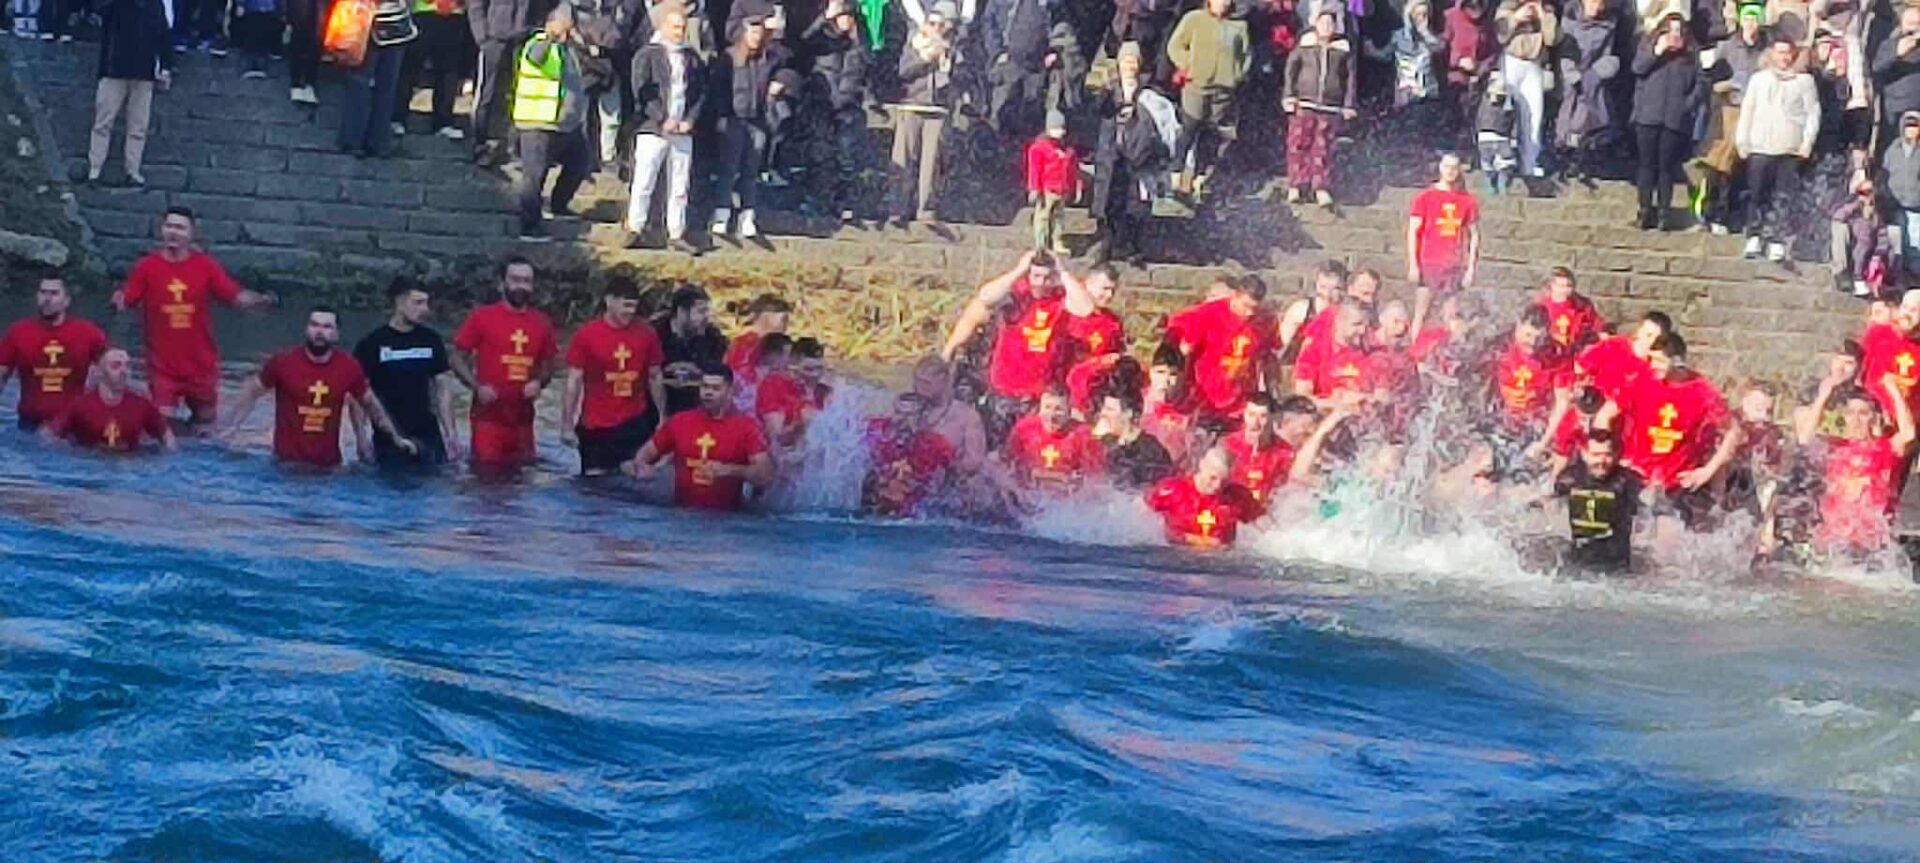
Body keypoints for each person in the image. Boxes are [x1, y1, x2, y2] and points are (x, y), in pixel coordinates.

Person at [112, 206, 275, 430]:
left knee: (206, 429)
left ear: (191, 234)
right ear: (162, 230)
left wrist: (261, 300)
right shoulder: (147, 267)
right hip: (162, 367)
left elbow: (235, 297)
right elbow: (126, 301)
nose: (173, 232)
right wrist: (118, 302)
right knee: (162, 429)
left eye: (180, 227)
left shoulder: (205, 266)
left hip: (201, 366)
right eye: (169, 226)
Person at [222, 307, 415, 469]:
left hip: (329, 467)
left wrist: (394, 438)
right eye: (314, 325)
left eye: (327, 327)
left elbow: (370, 404)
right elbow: (252, 391)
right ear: (306, 329)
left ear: (336, 334)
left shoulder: (349, 367)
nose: (319, 332)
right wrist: (231, 428)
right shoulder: (283, 362)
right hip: (285, 465)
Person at [1598, 333, 1741, 528]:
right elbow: (1604, 417)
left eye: (1659, 361)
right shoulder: (1640, 380)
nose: (1652, 365)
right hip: (1636, 475)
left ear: (1677, 361)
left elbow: (1733, 432)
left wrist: (1707, 471)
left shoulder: (1701, 392)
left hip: (1676, 484)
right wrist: (1610, 457)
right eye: (1651, 359)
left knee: (1668, 539)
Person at [941, 252, 1065, 442]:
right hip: (1003, 390)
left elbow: (1085, 309)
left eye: (1047, 277)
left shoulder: (1062, 299)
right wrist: (1019, 269)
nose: (1041, 283)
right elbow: (984, 298)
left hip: (1039, 396)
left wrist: (1062, 271)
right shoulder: (1016, 292)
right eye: (1036, 276)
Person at [451, 257, 557, 471]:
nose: (521, 286)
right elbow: (456, 357)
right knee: (486, 478)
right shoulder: (482, 317)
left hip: (523, 420)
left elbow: (549, 365)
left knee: (523, 479)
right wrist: (477, 387)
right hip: (488, 419)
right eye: (515, 280)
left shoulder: (542, 323)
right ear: (502, 284)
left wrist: (539, 382)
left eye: (526, 281)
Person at [626, 365, 774, 511]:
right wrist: (641, 466)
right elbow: (646, 452)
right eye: (705, 387)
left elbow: (765, 475)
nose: (708, 393)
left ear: (730, 391)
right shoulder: (680, 422)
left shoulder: (747, 427)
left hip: (728, 517)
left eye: (716, 388)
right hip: (679, 513)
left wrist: (730, 470)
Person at [562, 277, 667, 477]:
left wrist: (662, 417)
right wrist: (567, 425)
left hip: (634, 421)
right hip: (596, 425)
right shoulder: (587, 335)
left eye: (634, 306)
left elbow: (655, 377)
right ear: (609, 301)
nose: (630, 312)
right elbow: (573, 381)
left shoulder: (647, 334)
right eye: (626, 305)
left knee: (636, 478)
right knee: (595, 482)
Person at [352, 277, 461, 468]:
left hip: (428, 433)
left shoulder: (432, 340)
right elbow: (358, 395)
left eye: (426, 303)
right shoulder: (371, 343)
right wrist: (361, 436)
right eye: (418, 303)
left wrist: (451, 433)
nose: (425, 309)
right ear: (399, 303)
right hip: (389, 434)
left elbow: (443, 388)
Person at [625, 2, 706, 255]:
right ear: (662, 27)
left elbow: (700, 93)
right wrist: (661, 118)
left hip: (683, 130)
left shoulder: (691, 58)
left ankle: (676, 232)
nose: (679, 32)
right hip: (653, 128)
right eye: (675, 27)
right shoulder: (647, 54)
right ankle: (635, 227)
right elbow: (641, 90)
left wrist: (690, 119)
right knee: (644, 180)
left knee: (680, 185)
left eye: (682, 27)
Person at [709, 14, 795, 242]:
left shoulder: (770, 58)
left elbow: (790, 68)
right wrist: (722, 116)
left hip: (758, 121)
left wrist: (782, 81)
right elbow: (718, 88)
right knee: (728, 169)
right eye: (753, 32)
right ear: (744, 33)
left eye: (760, 33)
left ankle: (747, 215)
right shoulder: (728, 58)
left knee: (751, 169)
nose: (756, 37)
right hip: (733, 119)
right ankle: (721, 212)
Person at [1734, 36, 1820, 264]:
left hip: (1789, 148)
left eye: (1787, 53)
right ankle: (1754, 236)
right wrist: (1742, 141)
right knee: (1757, 193)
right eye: (1779, 52)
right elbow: (1748, 110)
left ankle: (1777, 240)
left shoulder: (1804, 82)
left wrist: (1806, 143)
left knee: (1782, 197)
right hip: (1760, 146)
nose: (1784, 57)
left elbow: (1812, 114)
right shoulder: (1759, 79)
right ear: (1771, 54)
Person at [513, 6, 594, 242]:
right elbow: (535, 58)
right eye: (565, 25)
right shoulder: (537, 43)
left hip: (566, 124)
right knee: (534, 176)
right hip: (538, 122)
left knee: (580, 163)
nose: (569, 30)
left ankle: (558, 205)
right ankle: (529, 226)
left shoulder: (568, 49)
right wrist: (551, 35)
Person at [1089, 40, 1173, 265]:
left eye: (1133, 61)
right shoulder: (1110, 87)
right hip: (1112, 154)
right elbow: (1098, 111)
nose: (1129, 67)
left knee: (1136, 205)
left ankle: (1133, 247)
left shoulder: (1148, 90)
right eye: (1125, 61)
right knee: (1110, 202)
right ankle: (1107, 245)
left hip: (1138, 156)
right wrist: (1105, 94)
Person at [1811, 382, 1916, 556]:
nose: (1856, 419)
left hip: (1869, 542)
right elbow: (1806, 434)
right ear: (1844, 417)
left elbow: (1908, 433)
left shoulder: (1885, 449)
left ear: (1873, 418)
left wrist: (1893, 390)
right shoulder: (1834, 448)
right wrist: (1824, 395)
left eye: (1863, 413)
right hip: (1834, 538)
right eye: (1850, 413)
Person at [0, 275, 110, 432]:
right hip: (29, 425)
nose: (47, 299)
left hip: (74, 425)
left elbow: (113, 372)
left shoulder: (88, 333)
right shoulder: (18, 333)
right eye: (43, 292)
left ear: (67, 300)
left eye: (54, 293)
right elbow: (2, 374)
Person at [1166, 0, 1250, 196]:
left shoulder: (1239, 26)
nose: (1223, 3)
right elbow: (1175, 46)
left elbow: (1246, 56)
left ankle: (1201, 176)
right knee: (1190, 128)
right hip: (1196, 85)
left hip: (1223, 89)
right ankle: (1176, 172)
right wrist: (1189, 65)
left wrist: (1236, 75)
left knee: (1211, 131)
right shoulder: (1194, 19)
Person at [88, 0, 174, 186]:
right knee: (103, 120)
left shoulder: (154, 4)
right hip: (114, 69)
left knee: (138, 124)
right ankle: (95, 167)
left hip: (143, 72)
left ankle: (132, 169)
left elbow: (163, 35)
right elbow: (99, 9)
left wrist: (166, 67)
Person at [1168, 275, 1271, 427]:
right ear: (1235, 295)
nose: (1250, 313)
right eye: (1246, 306)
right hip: (1205, 398)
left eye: (1254, 308)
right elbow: (1185, 351)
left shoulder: (1263, 320)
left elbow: (1265, 356)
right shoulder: (1208, 314)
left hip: (1240, 402)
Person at [1630, 12, 1699, 232]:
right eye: (1670, 30)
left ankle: (1664, 213)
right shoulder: (1649, 47)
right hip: (1648, 115)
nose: (1674, 35)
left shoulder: (1690, 56)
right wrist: (1657, 52)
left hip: (1673, 119)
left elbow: (1699, 84)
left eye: (1679, 31)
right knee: (1646, 165)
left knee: (1666, 167)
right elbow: (1637, 68)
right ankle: (1644, 210)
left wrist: (1686, 106)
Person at [890, 3, 957, 227]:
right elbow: (904, 71)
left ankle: (926, 209)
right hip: (911, 105)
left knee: (932, 162)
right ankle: (898, 207)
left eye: (940, 24)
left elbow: (959, 78)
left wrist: (947, 62)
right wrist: (926, 60)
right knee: (903, 158)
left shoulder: (952, 49)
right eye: (932, 23)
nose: (936, 28)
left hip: (937, 109)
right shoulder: (914, 44)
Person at [1281, 6, 1356, 207]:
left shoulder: (1342, 49)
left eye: (1330, 23)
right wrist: (1289, 96)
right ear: (1315, 24)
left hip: (1330, 106)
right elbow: (1291, 70)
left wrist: (1349, 104)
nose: (1326, 27)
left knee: (1323, 148)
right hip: (1304, 102)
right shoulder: (1305, 45)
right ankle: (1296, 185)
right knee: (1298, 144)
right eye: (1323, 23)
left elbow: (1350, 78)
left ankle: (1320, 187)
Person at [40, 348, 176, 453]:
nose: (124, 371)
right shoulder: (79, 405)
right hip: (89, 464)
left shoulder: (142, 405)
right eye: (116, 366)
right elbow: (47, 436)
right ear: (99, 372)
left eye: (127, 366)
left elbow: (167, 437)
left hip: (130, 467)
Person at [1406, 153, 1480, 336]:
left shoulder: (1467, 201)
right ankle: (1414, 349)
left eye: (1454, 167)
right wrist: (1413, 265)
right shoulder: (1425, 198)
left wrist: (1470, 268)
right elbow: (1413, 232)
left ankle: (1448, 350)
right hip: (1430, 262)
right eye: (1447, 166)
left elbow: (1474, 235)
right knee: (1421, 312)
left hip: (1454, 265)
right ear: (1440, 168)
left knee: (1451, 315)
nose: (1450, 171)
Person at [1550, 430, 1641, 573]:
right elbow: (1552, 509)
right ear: (1584, 454)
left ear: (1616, 455)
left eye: (1607, 455)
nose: (1601, 461)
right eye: (1596, 455)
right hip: (1576, 560)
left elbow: (1646, 515)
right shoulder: (1568, 479)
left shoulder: (1628, 482)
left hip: (1615, 564)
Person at [1551, 0, 1619, 184]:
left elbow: (1607, 53)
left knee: (1587, 117)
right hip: (1569, 75)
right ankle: (1562, 155)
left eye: (1599, 3)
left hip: (1592, 77)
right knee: (1568, 116)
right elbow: (1564, 50)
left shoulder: (1608, 25)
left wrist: (1600, 70)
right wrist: (1571, 72)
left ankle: (1582, 160)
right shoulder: (1569, 19)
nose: (1595, 6)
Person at [468, 0, 544, 163]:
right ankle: (480, 144)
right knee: (486, 94)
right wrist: (482, 37)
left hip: (523, 39)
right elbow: (476, 5)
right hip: (494, 39)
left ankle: (515, 146)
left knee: (520, 94)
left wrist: (536, 28)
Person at [862, 391, 957, 517]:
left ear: (923, 419)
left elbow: (953, 479)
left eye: (910, 415)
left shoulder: (936, 446)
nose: (902, 420)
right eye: (898, 413)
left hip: (913, 514)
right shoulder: (876, 432)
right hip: (872, 507)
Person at [1492, 0, 1557, 180]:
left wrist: (1542, 15)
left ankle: (1530, 162)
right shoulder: (1507, 7)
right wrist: (1516, 18)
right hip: (1511, 61)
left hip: (1534, 65)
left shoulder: (1547, 10)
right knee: (1505, 111)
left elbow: (1552, 39)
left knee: (1534, 116)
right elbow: (1499, 35)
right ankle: (1501, 159)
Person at [1146, 446, 1259, 548]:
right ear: (1202, 467)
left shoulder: (1238, 496)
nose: (1218, 486)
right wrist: (1196, 540)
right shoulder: (1171, 491)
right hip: (1176, 554)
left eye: (1225, 481)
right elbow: (1146, 524)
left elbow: (1262, 527)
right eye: (1213, 478)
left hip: (1221, 559)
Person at [1001, 386, 1101, 492]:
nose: (1051, 416)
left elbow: (1096, 478)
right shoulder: (1024, 430)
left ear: (1069, 412)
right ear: (1040, 409)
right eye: (1047, 407)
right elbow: (1006, 465)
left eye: (1058, 409)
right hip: (1028, 493)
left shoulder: (1083, 435)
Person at [393, 0, 469, 138]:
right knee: (411, 68)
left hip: (454, 14)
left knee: (448, 71)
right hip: (424, 12)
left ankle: (443, 122)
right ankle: (397, 117)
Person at [653, 283, 729, 417]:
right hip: (656, 412)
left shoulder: (713, 339)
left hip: (697, 413)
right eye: (700, 311)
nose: (706, 317)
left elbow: (720, 374)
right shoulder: (655, 334)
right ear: (681, 311)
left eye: (706, 311)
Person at [1575, 310, 1670, 405]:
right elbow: (1580, 367)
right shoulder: (1614, 345)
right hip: (1592, 402)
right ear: (1639, 329)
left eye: (1651, 336)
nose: (1645, 338)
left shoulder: (1652, 369)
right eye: (1644, 331)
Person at [914, 356, 989, 475]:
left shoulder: (967, 416)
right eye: (917, 382)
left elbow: (974, 461)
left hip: (952, 478)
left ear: (944, 381)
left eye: (926, 383)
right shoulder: (910, 410)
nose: (920, 388)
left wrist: (946, 467)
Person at [1292, 296, 1373, 405]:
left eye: (1366, 325)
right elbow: (1303, 399)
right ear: (1339, 322)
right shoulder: (1314, 350)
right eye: (1356, 324)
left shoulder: (1369, 349)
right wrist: (1335, 402)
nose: (1362, 331)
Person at [1221, 394, 1298, 505]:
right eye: (1251, 415)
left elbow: (1287, 489)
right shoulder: (1228, 445)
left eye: (1262, 416)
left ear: (1273, 418)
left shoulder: (1284, 452)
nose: (1255, 423)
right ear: (1244, 414)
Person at [1095, 389, 1174, 490]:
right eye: (1104, 408)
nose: (1103, 413)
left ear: (1128, 413)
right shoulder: (1106, 444)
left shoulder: (1151, 451)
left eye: (1110, 409)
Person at [1026, 110, 1079, 253]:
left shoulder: (1068, 150)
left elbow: (1073, 170)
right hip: (1046, 191)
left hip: (1062, 190)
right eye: (1055, 128)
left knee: (1059, 217)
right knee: (1042, 217)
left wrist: (1075, 187)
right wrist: (1034, 188)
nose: (1059, 132)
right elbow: (1034, 169)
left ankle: (1057, 241)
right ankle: (1041, 244)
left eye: (1061, 129)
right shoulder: (1039, 148)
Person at [1829, 173, 1890, 297]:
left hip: (1868, 250)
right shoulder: (1852, 209)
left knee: (1868, 243)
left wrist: (1879, 253)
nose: (1866, 196)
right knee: (1841, 228)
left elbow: (1882, 235)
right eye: (1862, 193)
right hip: (1852, 246)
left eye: (1869, 192)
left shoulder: (1877, 216)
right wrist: (1856, 206)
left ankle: (1864, 279)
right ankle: (1843, 273)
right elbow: (1837, 217)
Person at [1533, 267, 1604, 353]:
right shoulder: (1540, 306)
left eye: (1569, 286)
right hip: (1547, 354)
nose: (1565, 290)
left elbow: (1597, 327)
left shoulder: (1583, 306)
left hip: (1577, 353)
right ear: (1552, 286)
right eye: (1561, 286)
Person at [724, 294, 791, 383]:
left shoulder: (772, 342)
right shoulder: (746, 343)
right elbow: (739, 376)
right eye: (783, 319)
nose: (786, 324)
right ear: (766, 317)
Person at [1884, 111, 1920, 278]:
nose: (1911, 129)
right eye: (1908, 126)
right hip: (1895, 203)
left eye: (1915, 126)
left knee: (1914, 244)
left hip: (1916, 205)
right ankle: (1896, 276)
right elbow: (1885, 172)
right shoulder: (1892, 150)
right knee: (1896, 243)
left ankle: (1914, 278)